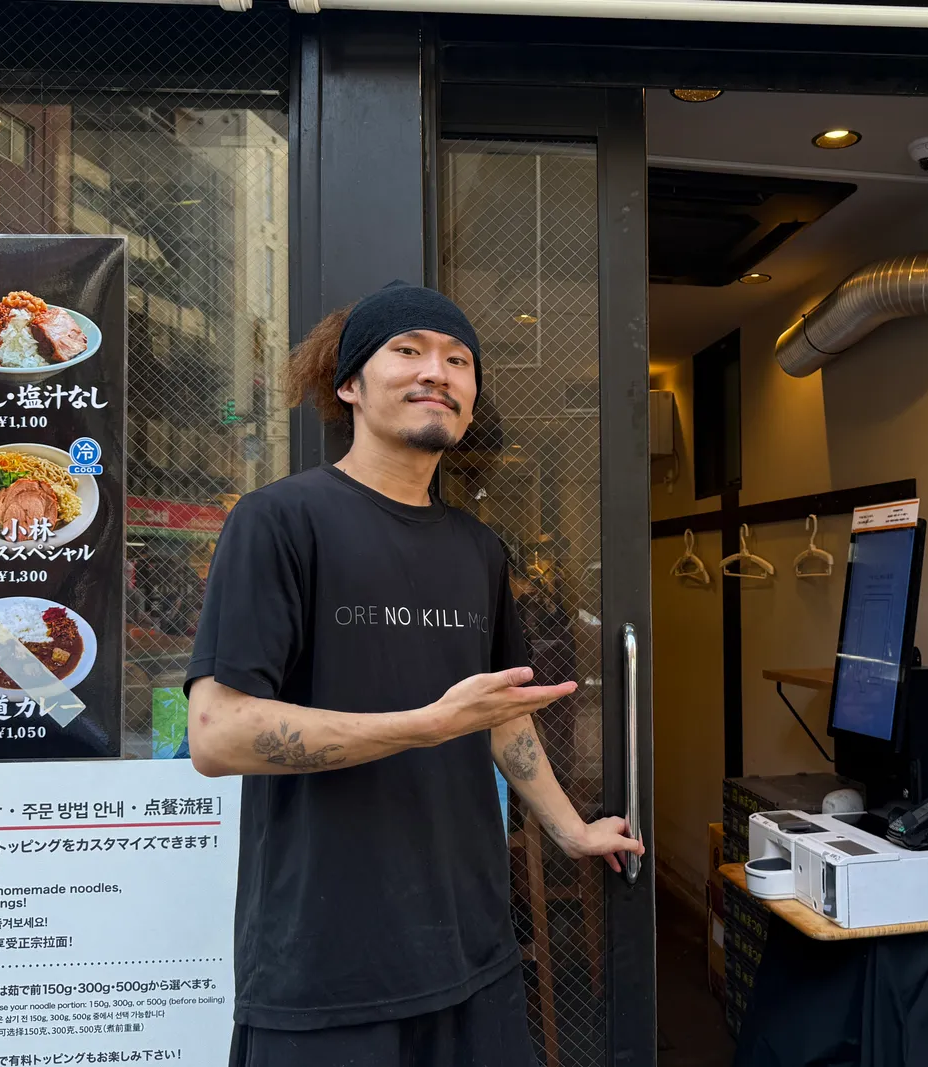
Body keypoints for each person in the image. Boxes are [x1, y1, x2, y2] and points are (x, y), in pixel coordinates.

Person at [184, 280, 644, 1067]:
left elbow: (501, 713)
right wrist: (424, 726)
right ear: (349, 385)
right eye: (409, 350)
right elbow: (218, 734)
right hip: (324, 973)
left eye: (458, 359)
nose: (438, 370)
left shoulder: (478, 550)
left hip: (474, 953)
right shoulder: (280, 521)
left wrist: (570, 828)